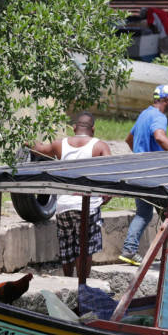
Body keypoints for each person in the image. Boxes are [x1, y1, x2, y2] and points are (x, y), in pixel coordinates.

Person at [30, 113, 111, 278]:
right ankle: (83, 283)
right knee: (85, 248)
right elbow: (111, 172)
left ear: (74, 128)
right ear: (93, 129)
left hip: (64, 205)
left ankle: (68, 280)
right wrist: (107, 195)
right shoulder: (100, 146)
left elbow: (37, 149)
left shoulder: (60, 144)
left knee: (66, 246)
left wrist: (27, 140)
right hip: (88, 206)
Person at [119, 84, 168, 266]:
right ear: (166, 100)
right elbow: (160, 137)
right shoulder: (158, 117)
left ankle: (129, 250)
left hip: (139, 172)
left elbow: (129, 139)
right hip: (154, 175)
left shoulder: (144, 114)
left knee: (144, 214)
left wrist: (140, 156)